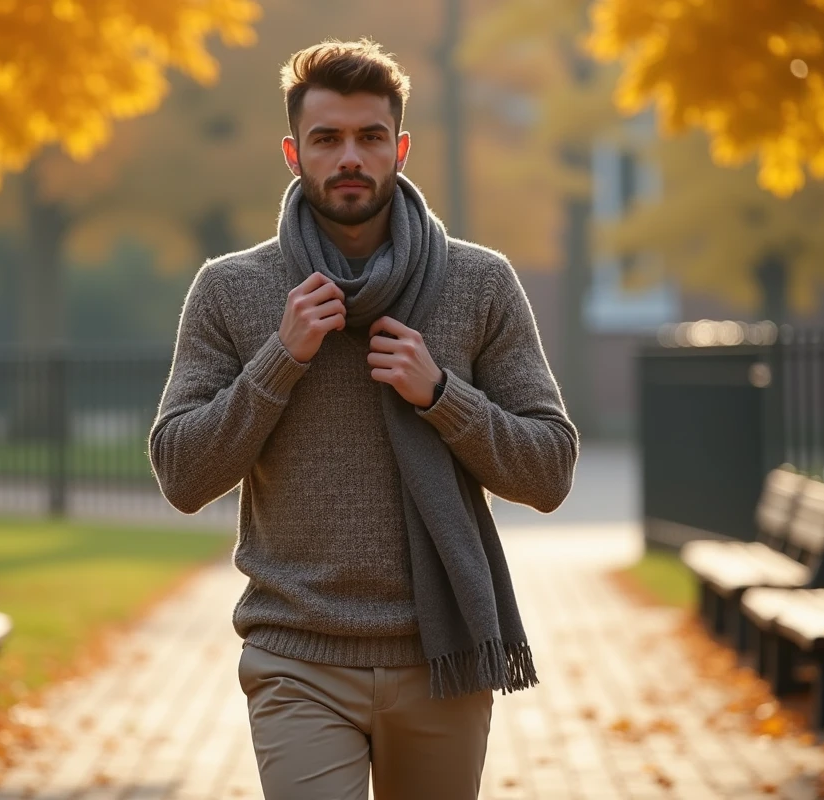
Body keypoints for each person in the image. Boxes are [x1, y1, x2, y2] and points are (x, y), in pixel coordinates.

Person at [149, 38, 578, 800]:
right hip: (296, 658)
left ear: (400, 148)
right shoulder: (230, 290)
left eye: (370, 137)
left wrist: (443, 395)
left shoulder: (480, 283)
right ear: (294, 153)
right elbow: (182, 474)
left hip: (441, 658)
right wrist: (280, 359)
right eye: (327, 139)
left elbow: (549, 471)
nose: (350, 156)